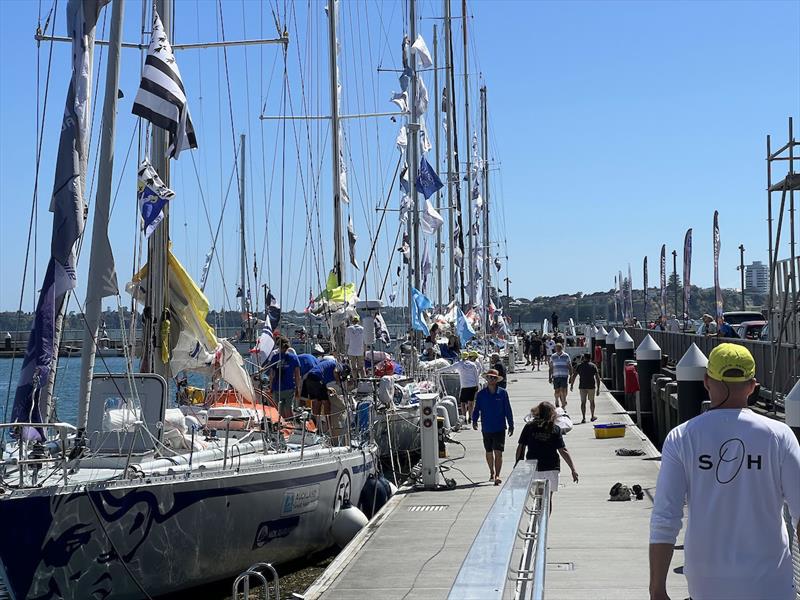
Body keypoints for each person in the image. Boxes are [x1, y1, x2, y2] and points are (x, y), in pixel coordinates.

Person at [649, 343, 800, 600]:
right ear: (753, 385)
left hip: (706, 586)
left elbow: (665, 517)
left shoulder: (682, 437)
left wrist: (657, 589)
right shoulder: (780, 436)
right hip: (771, 584)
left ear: (706, 381)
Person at [515, 401, 578, 512]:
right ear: (551, 414)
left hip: (534, 467)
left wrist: (518, 464)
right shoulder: (555, 428)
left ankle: (538, 523)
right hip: (551, 467)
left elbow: (521, 446)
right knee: (548, 498)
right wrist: (573, 469)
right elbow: (563, 450)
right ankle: (543, 524)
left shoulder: (529, 426)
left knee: (539, 497)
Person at [472, 369, 514, 485]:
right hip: (486, 428)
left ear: (497, 380)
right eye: (490, 377)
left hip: (500, 427)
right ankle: (491, 471)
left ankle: (497, 475)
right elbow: (477, 409)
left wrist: (511, 424)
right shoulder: (481, 394)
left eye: (494, 378)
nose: (492, 379)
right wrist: (474, 420)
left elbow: (508, 410)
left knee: (498, 452)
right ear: (487, 379)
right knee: (489, 451)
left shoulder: (503, 393)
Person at [305, 357, 342, 432]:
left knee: (316, 402)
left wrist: (327, 389)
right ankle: (328, 426)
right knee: (326, 403)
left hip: (309, 378)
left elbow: (323, 382)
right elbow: (336, 371)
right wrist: (338, 382)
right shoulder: (335, 365)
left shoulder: (324, 365)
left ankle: (316, 426)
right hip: (316, 378)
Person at [269, 337, 302, 419]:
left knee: (278, 410)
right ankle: (291, 426)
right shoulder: (294, 358)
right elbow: (297, 376)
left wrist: (271, 386)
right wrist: (298, 389)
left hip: (277, 388)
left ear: (278, 346)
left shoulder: (275, 358)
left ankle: (280, 426)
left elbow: (271, 375)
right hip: (289, 387)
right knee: (289, 409)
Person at [445, 351, 480, 423]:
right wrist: (477, 385)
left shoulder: (459, 364)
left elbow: (449, 368)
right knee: (471, 403)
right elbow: (476, 376)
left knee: (463, 403)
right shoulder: (473, 364)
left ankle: (464, 418)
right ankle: (470, 417)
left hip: (464, 386)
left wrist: (438, 371)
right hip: (473, 386)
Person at [570, 353, 601, 423]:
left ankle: (583, 418)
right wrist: (598, 388)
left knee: (583, 402)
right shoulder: (593, 366)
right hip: (591, 386)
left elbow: (574, 375)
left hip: (582, 387)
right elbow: (597, 378)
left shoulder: (579, 366)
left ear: (584, 358)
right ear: (590, 358)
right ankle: (592, 416)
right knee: (592, 402)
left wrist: (572, 385)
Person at [548, 343, 573, 410]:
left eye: (559, 348)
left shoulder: (566, 356)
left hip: (564, 375)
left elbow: (569, 366)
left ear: (561, 348)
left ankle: (563, 405)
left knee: (563, 390)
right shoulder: (553, 356)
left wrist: (571, 375)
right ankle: (557, 400)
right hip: (556, 376)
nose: (558, 349)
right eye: (557, 348)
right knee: (557, 391)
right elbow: (551, 367)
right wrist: (550, 377)